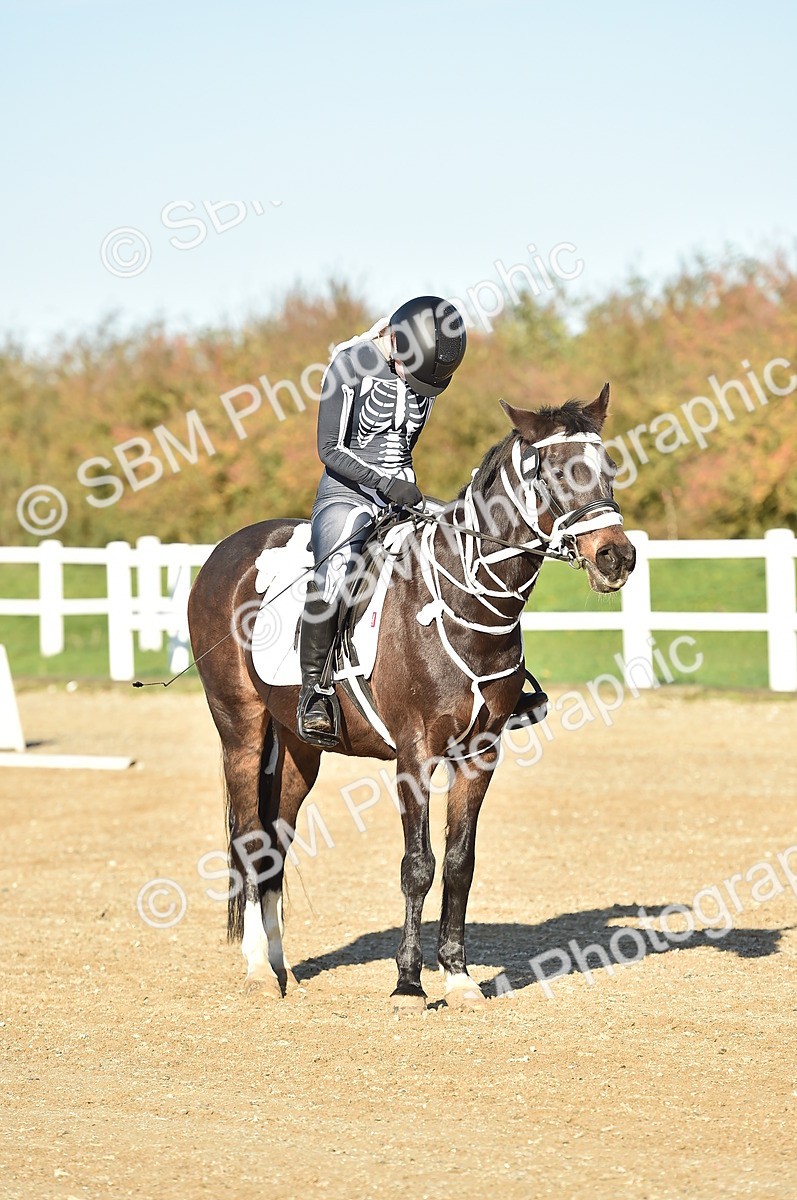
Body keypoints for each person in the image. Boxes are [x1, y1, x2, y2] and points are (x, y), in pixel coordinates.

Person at [296, 295, 468, 745]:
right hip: (347, 494)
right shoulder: (349, 365)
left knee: (463, 550)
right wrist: (384, 484)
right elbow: (329, 448)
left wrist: (403, 487)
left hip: (401, 495)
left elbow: (403, 445)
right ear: (397, 342)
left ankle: (491, 676)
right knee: (335, 573)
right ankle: (314, 691)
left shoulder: (422, 375)